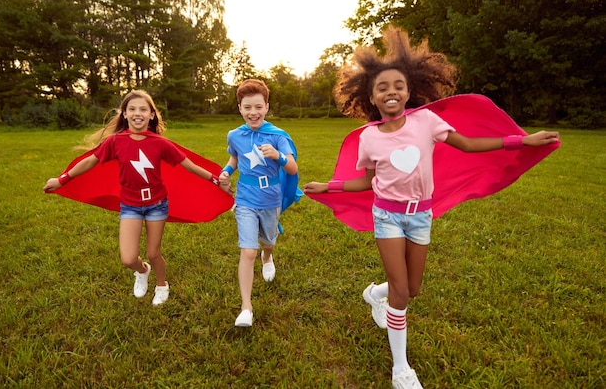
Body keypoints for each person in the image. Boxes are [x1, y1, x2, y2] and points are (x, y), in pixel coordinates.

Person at [302, 27, 559, 388]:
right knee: (402, 293)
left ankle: (374, 294)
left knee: (413, 289)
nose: (391, 91)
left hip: (421, 216)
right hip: (387, 216)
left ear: (409, 91)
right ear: (370, 98)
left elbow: (468, 145)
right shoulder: (369, 138)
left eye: (398, 86)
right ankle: (400, 369)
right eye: (382, 88)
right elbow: (366, 181)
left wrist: (521, 140)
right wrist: (329, 186)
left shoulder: (427, 122)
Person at [44, 90, 230, 306]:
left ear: (152, 115)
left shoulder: (160, 143)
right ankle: (142, 271)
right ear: (124, 114)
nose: (137, 113)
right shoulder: (115, 141)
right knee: (128, 259)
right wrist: (62, 179)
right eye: (132, 109)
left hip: (157, 205)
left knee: (153, 253)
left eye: (143, 109)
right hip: (130, 205)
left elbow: (189, 166)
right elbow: (89, 162)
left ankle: (162, 285)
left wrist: (217, 181)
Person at [219, 79, 300, 327]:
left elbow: (293, 167)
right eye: (247, 107)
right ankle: (246, 308)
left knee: (268, 241)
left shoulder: (277, 136)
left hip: (271, 198)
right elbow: (234, 158)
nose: (252, 113)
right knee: (248, 250)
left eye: (258, 107)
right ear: (240, 108)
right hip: (245, 198)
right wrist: (226, 172)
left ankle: (268, 257)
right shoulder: (235, 135)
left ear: (266, 106)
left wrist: (278, 155)